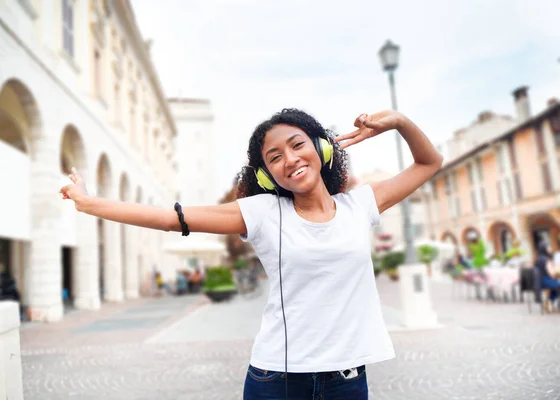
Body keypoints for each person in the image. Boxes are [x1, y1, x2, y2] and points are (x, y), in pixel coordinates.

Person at [60, 108, 443, 399]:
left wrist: (399, 122)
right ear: (266, 176)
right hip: (278, 380)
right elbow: (168, 218)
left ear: (321, 148)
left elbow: (429, 162)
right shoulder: (261, 213)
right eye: (274, 157)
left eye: (297, 145)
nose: (289, 159)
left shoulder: (360, 206)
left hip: (347, 379)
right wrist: (88, 204)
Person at [534, 242, 560, 312]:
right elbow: (551, 273)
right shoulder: (546, 259)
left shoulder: (539, 258)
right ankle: (549, 301)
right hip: (545, 281)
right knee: (558, 285)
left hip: (540, 281)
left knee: (556, 286)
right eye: (549, 247)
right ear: (545, 249)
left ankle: (548, 302)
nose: (551, 249)